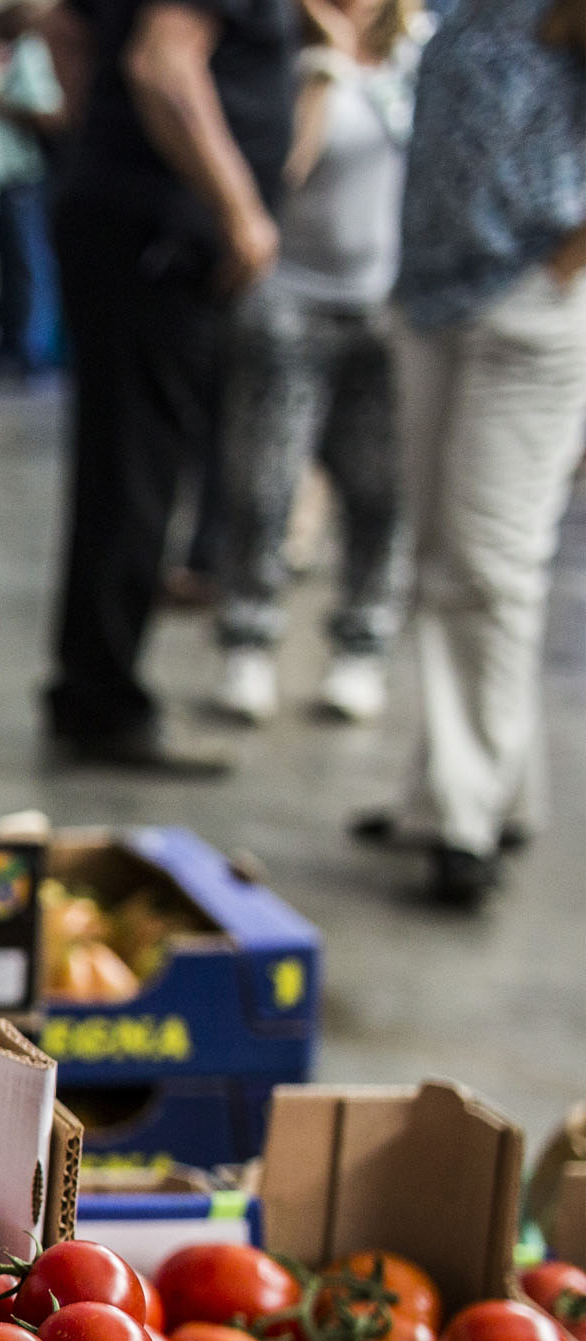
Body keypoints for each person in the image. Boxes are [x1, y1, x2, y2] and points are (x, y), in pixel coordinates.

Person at [351, 0, 586, 908]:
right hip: (432, 301)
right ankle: (469, 787)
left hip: (529, 304)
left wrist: (562, 267)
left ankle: (465, 818)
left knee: (490, 563)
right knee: (443, 555)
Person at [45, 0, 294, 771]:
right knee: (135, 469)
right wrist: (240, 209)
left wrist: (98, 130)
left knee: (129, 464)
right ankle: (102, 702)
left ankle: (96, 689)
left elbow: (61, 23)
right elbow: (162, 64)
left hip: (131, 216)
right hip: (157, 234)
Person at [207, 0, 420, 725]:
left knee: (378, 491)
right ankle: (248, 639)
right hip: (290, 300)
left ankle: (361, 646)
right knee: (263, 484)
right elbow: (282, 172)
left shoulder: (419, 56)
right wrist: (324, 78)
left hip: (386, 308)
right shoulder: (285, 61)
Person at [0, 2, 67, 379]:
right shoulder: (6, 56)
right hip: (4, 176)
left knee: (27, 264)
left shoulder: (30, 51)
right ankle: (12, 346)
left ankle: (30, 350)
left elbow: (47, 114)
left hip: (24, 175)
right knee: (10, 265)